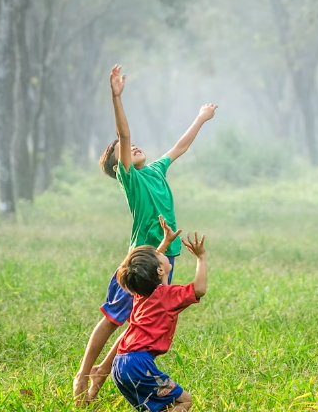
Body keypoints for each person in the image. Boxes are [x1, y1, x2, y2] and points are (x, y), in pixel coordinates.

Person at [73, 65, 217, 403]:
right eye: (123, 150)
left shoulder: (155, 170)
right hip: (140, 260)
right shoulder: (131, 178)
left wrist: (200, 118)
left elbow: (180, 147)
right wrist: (116, 97)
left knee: (140, 321)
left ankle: (100, 378)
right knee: (114, 318)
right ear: (118, 165)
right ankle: (83, 374)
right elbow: (124, 135)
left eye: (135, 146)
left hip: (166, 257)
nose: (133, 146)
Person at [111, 220, 207, 412]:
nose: (161, 253)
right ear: (160, 270)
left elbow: (148, 269)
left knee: (162, 408)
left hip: (120, 365)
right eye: (159, 254)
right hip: (139, 365)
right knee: (184, 401)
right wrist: (201, 257)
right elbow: (199, 289)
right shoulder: (167, 296)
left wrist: (165, 242)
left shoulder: (141, 293)